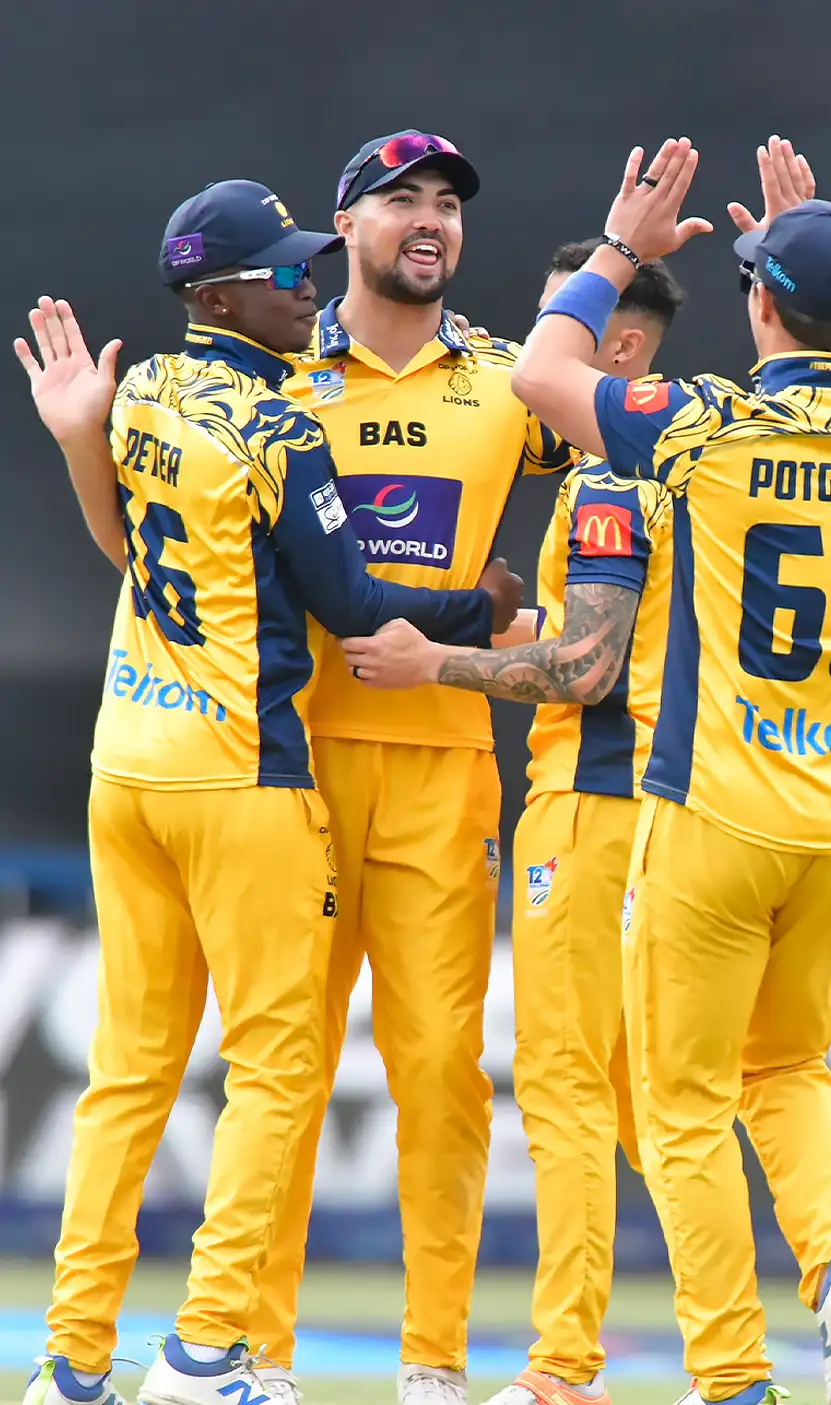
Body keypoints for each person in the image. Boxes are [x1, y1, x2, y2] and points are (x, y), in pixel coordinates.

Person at [14, 179, 520, 1405]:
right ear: (220, 293)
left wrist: (80, 436)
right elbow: (351, 604)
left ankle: (73, 1361)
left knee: (129, 1073)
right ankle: (204, 1352)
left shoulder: (140, 396)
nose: (308, 289)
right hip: (245, 776)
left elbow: (128, 547)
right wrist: (484, 611)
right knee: (280, 1071)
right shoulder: (282, 425)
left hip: (126, 764)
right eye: (286, 274)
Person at [504, 135, 831, 1405]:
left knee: (686, 1100)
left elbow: (543, 367)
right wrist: (830, 266)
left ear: (757, 303)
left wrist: (622, 252)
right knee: (788, 1068)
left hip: (711, 812)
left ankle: (733, 1377)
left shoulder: (707, 426)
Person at [244, 131, 574, 1405]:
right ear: (346, 225)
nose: (430, 220)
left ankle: (434, 1365)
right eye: (402, 200)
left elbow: (618, 457)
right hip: (294, 769)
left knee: (441, 1072)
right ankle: (252, 1356)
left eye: (447, 203)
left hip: (444, 777)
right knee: (286, 1068)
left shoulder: (507, 380)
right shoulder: (273, 375)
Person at [341, 235, 684, 1405]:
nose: (528, 354)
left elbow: (584, 670)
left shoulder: (608, 477)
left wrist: (440, 656)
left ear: (618, 350)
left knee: (564, 1083)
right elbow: (622, 635)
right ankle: (748, 1351)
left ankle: (561, 1372)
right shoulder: (702, 461)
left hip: (589, 810)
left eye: (559, 329)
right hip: (678, 806)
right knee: (662, 1100)